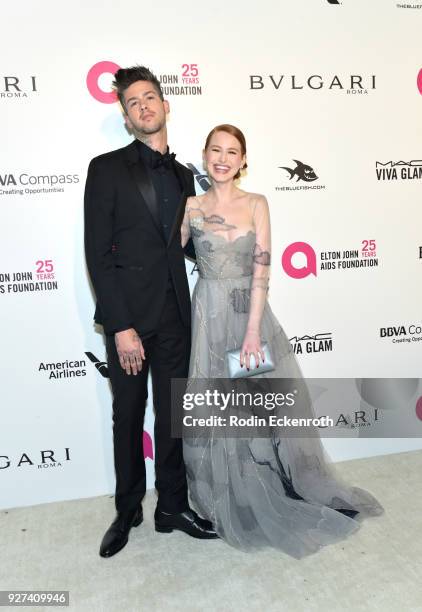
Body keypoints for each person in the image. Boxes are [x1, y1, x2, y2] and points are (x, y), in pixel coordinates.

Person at [181, 124, 383, 558]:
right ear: (205, 155)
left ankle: (276, 486)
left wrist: (253, 330)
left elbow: (262, 270)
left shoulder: (257, 203)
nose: (222, 158)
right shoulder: (191, 206)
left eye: (232, 152)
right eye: (215, 150)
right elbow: (166, 254)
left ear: (243, 161)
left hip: (250, 318)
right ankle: (233, 496)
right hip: (208, 318)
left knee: (261, 406)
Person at [84, 65, 217, 558]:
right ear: (125, 116)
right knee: (127, 416)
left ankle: (173, 507)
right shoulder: (106, 168)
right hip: (130, 323)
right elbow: (98, 253)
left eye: (150, 97)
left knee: (173, 417)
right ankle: (127, 509)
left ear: (166, 105)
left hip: (176, 318)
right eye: (133, 102)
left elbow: (181, 245)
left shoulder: (184, 176)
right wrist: (120, 327)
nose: (143, 106)